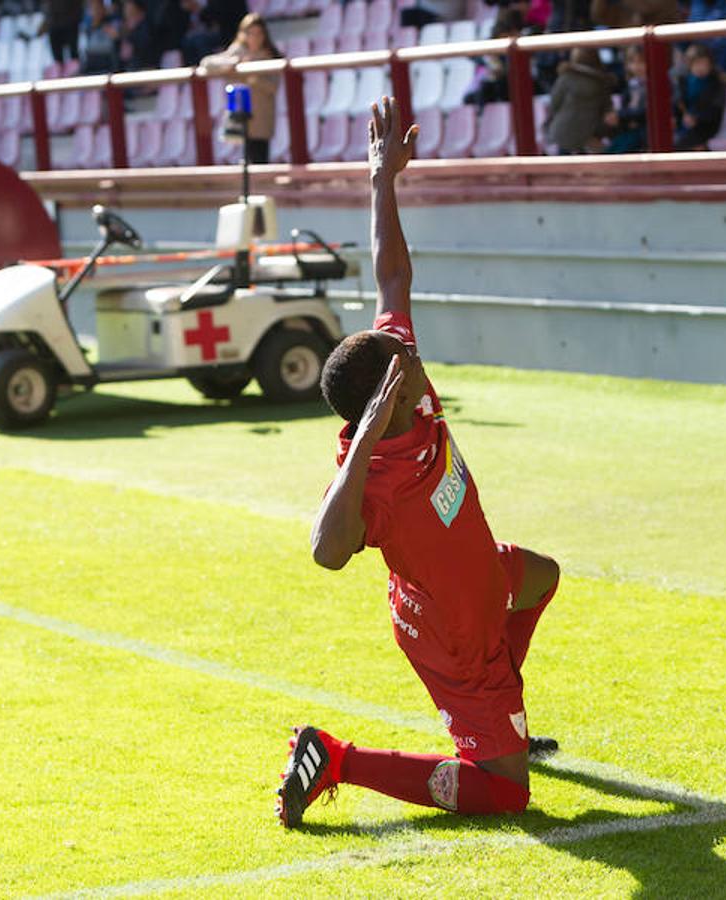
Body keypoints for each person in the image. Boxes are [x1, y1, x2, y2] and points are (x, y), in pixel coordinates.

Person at [277, 96, 562, 828]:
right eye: (400, 355)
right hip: (453, 634)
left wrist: (382, 180)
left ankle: (507, 722)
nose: (408, 345)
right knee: (506, 794)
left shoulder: (403, 375)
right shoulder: (374, 482)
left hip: (481, 576)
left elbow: (391, 279)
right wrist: (365, 443)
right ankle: (335, 756)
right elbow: (323, 553)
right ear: (387, 401)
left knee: (540, 578)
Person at [201, 12, 280, 164]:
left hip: (261, 118)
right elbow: (207, 63)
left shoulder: (270, 56)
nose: (255, 38)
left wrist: (252, 77)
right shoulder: (238, 51)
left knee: (260, 159)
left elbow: (273, 87)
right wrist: (233, 63)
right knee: (246, 162)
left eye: (259, 33)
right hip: (241, 116)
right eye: (251, 33)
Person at [544, 46, 616, 154]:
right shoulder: (603, 81)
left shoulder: (567, 77)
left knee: (563, 167)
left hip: (564, 133)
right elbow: (606, 110)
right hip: (588, 136)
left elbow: (554, 104)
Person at [673, 43, 726, 150]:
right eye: (697, 64)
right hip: (685, 125)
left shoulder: (716, 83)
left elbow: (716, 110)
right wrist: (680, 117)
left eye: (704, 64)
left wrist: (696, 118)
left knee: (682, 144)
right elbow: (678, 104)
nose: (700, 68)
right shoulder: (683, 82)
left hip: (706, 126)